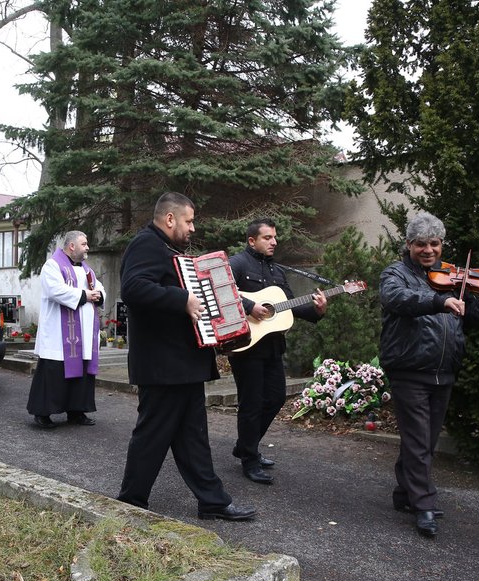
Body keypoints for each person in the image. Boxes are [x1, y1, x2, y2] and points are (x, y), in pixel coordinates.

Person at [379, 211, 479, 538]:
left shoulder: (452, 276)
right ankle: (424, 503)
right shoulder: (395, 274)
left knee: (424, 440)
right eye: (420, 244)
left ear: (441, 244)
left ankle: (404, 494)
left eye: (434, 243)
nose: (428, 250)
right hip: (409, 367)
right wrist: (438, 301)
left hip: (443, 369)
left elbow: (474, 314)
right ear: (409, 244)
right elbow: (396, 299)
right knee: (418, 441)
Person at [116, 191, 256, 521]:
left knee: (193, 438)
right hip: (163, 365)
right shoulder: (147, 244)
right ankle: (130, 501)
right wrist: (182, 300)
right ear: (170, 219)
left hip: (182, 364)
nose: (192, 228)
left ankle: (213, 501)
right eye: (189, 221)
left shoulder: (169, 250)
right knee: (152, 435)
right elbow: (132, 288)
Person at [227, 218, 327, 484]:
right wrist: (250, 306)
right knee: (250, 404)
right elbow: (220, 291)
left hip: (272, 346)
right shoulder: (237, 263)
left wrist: (316, 310)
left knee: (275, 398)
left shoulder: (277, 272)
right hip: (246, 345)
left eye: (274, 238)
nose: (274, 242)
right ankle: (249, 458)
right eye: (267, 238)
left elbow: (288, 305)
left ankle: (244, 445)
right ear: (252, 240)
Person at [27, 231, 105, 429]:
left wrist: (97, 295)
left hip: (84, 334)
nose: (88, 247)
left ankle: (76, 412)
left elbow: (100, 288)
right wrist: (86, 295)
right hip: (58, 335)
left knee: (82, 374)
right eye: (84, 244)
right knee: (53, 375)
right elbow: (55, 290)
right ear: (72, 246)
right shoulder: (52, 265)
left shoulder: (87, 270)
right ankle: (42, 413)